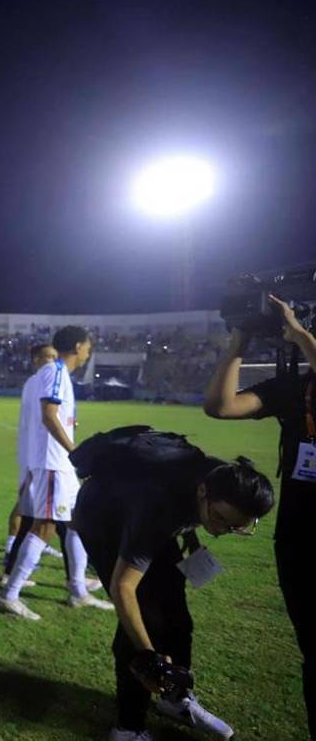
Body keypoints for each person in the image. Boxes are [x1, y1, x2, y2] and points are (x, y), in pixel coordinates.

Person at [70, 426, 275, 741]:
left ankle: (175, 698)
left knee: (177, 616)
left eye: (236, 526)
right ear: (204, 493)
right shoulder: (159, 506)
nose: (221, 530)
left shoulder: (223, 478)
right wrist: (149, 656)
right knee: (145, 621)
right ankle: (128, 728)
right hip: (103, 519)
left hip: (147, 514)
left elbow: (191, 512)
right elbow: (122, 589)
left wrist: (192, 541)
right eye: (220, 519)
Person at [203, 295, 316, 739]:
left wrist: (302, 336)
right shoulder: (296, 387)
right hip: (301, 534)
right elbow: (220, 405)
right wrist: (240, 340)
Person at [0, 326, 113, 619]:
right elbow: (49, 416)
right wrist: (75, 451)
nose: (89, 351)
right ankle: (9, 595)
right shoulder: (56, 372)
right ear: (77, 346)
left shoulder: (55, 374)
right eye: (88, 346)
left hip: (57, 463)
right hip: (52, 462)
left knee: (76, 522)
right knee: (44, 527)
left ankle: (78, 591)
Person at [1, 343, 64, 580]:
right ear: (35, 359)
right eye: (48, 356)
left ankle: (18, 560)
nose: (52, 361)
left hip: (38, 457)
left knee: (36, 514)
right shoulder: (37, 383)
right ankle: (11, 565)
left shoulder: (37, 382)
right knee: (31, 513)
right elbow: (44, 418)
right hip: (38, 458)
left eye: (55, 357)